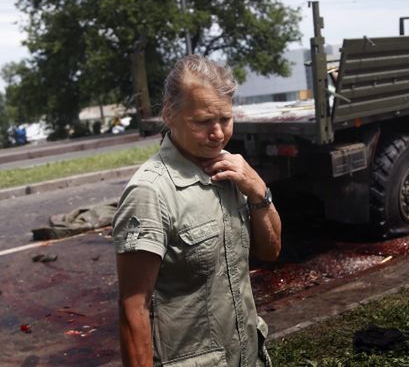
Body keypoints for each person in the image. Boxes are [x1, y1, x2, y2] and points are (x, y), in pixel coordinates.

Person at [112, 55, 282, 367]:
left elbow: (271, 252)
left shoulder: (233, 172)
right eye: (203, 122)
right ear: (169, 114)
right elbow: (132, 309)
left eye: (225, 119)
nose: (217, 133)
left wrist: (258, 190)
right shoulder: (150, 192)